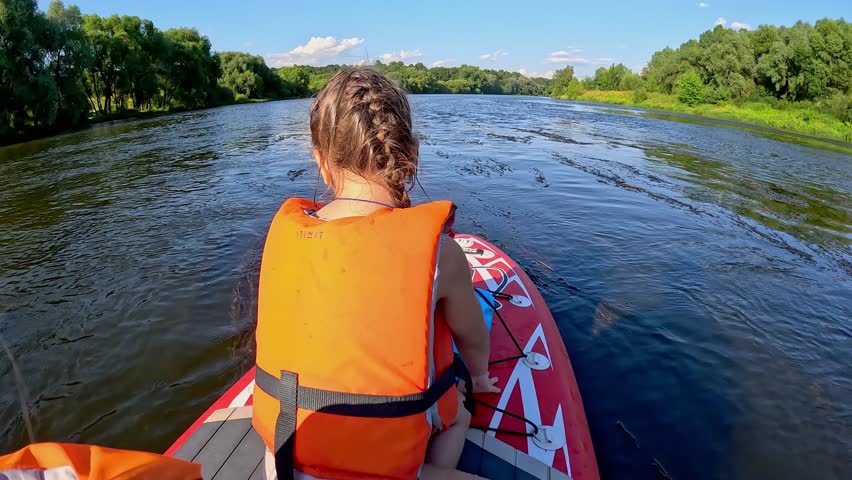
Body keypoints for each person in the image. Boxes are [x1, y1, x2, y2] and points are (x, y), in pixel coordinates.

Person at [251, 67, 499, 480]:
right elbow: (473, 338)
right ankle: (432, 466)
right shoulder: (443, 254)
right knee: (458, 413)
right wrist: (478, 376)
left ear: (320, 163)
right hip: (384, 467)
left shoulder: (286, 236)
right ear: (412, 156)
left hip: (286, 458)